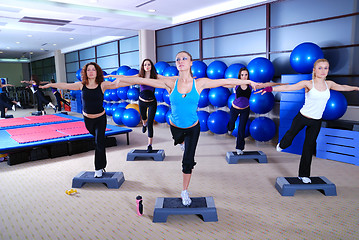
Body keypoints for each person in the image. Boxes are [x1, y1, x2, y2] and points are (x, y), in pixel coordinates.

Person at [108, 51, 260, 206]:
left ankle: (184, 191)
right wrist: (122, 79)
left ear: (191, 62)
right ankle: (180, 143)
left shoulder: (199, 83)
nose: (181, 61)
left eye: (184, 58)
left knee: (187, 160)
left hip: (193, 127)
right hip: (175, 127)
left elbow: (223, 81)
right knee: (179, 141)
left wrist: (248, 82)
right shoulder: (170, 83)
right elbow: (141, 79)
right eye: (178, 59)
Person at [258, 59, 359, 184]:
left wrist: (356, 88)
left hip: (316, 121)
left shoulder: (330, 84)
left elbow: (343, 87)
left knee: (308, 147)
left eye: (326, 68)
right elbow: (289, 87)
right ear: (314, 70)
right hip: (302, 117)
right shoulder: (308, 84)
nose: (323, 71)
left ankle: (304, 175)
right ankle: (282, 144)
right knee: (289, 137)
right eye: (320, 68)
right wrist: (270, 89)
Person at [41, 62, 124, 178]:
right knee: (96, 140)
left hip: (100, 118)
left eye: (93, 70)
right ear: (85, 72)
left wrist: (122, 79)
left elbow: (116, 84)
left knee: (99, 143)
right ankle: (101, 164)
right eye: (88, 70)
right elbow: (65, 85)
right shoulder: (81, 85)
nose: (91, 72)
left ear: (97, 72)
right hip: (88, 120)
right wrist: (51, 85)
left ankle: (98, 168)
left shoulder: (102, 85)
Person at [227, 67, 281, 155]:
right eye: (242, 75)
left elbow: (265, 84)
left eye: (246, 75)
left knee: (241, 129)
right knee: (231, 122)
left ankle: (239, 148)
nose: (244, 77)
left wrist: (278, 83)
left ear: (248, 76)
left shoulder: (251, 85)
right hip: (235, 108)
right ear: (239, 76)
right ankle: (230, 128)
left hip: (245, 109)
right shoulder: (236, 84)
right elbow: (225, 84)